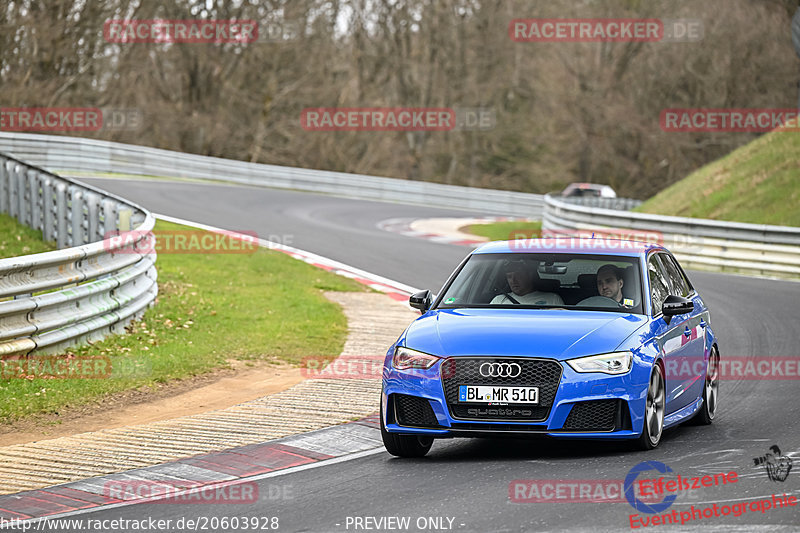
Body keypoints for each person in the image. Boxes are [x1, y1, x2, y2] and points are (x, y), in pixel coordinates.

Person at [491, 259, 564, 305]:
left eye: (518, 275)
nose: (513, 280)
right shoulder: (499, 300)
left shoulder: (553, 299)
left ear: (530, 275)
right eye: (509, 277)